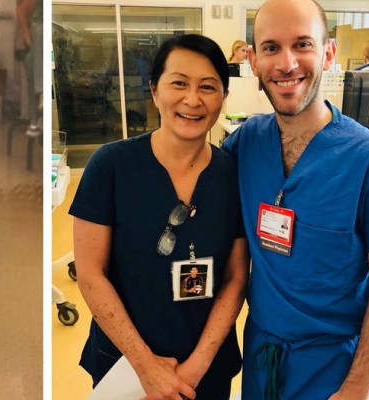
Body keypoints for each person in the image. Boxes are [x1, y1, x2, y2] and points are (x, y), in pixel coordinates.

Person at [221, 0, 369, 398]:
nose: (287, 63)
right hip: (261, 362)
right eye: (271, 47)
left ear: (328, 53)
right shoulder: (245, 144)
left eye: (303, 44)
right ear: (254, 61)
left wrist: (355, 390)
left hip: (334, 372)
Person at [70, 34, 249, 399]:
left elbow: (234, 278)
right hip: (125, 367)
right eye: (178, 83)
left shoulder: (233, 174)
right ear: (154, 90)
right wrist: (146, 366)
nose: (192, 99)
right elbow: (90, 274)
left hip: (206, 369)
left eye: (208, 87)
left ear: (224, 98)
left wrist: (195, 368)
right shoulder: (111, 166)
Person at [17, 0, 42, 138]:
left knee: (32, 61)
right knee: (39, 33)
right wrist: (28, 40)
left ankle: (36, 118)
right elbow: (21, 11)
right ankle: (42, 93)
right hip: (37, 38)